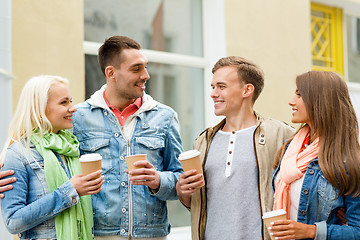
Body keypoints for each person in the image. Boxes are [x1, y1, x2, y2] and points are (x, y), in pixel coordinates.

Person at [71, 36, 183, 239]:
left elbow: (182, 179)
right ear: (111, 73)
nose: (146, 75)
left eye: (145, 67)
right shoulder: (78, 117)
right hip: (97, 234)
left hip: (152, 235)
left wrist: (158, 180)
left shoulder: (165, 117)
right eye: (136, 69)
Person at [176, 56, 295, 240]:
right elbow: (196, 204)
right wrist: (183, 192)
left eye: (221, 87)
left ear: (247, 90)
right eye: (213, 87)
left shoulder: (282, 135)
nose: (213, 93)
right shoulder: (203, 141)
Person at [0, 75, 104, 239]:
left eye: (71, 101)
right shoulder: (17, 154)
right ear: (39, 108)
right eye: (64, 102)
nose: (73, 108)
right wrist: (69, 191)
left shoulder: (71, 148)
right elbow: (13, 221)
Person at [270, 71, 360, 239]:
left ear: (320, 101)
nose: (291, 101)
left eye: (299, 95)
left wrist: (310, 231)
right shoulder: (291, 148)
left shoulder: (348, 161)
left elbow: (358, 230)